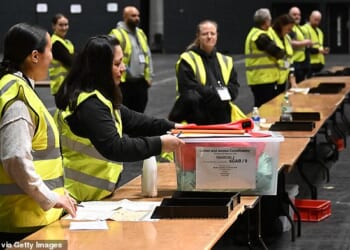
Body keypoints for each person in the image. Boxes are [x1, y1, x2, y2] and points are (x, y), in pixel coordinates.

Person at [54, 35, 184, 202]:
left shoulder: (100, 97)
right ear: (100, 68)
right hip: (78, 199)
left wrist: (174, 126)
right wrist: (161, 144)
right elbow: (115, 147)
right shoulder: (90, 105)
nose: (123, 68)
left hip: (95, 196)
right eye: (117, 64)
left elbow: (135, 121)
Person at [0, 23, 77, 247]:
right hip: (23, 223)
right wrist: (50, 198)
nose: (52, 58)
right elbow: (15, 158)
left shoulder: (17, 88)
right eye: (50, 50)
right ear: (35, 56)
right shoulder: (18, 98)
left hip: (30, 216)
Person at [168, 20, 244, 125]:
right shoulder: (187, 59)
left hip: (221, 115)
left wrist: (217, 95)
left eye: (212, 33)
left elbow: (233, 88)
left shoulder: (226, 60)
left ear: (217, 35)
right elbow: (189, 88)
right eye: (205, 34)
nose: (209, 37)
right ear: (198, 36)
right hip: (195, 114)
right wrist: (218, 95)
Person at [245, 9, 294, 107]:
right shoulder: (260, 36)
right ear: (266, 21)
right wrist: (286, 59)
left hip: (265, 79)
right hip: (262, 79)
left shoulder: (258, 33)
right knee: (264, 108)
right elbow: (278, 53)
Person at [109, 6, 153, 113]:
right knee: (124, 115)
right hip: (124, 83)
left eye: (138, 16)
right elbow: (112, 58)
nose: (137, 18)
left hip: (141, 83)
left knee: (139, 115)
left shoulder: (141, 33)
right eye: (133, 16)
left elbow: (147, 55)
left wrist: (149, 76)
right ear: (125, 17)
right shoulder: (116, 34)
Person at [49, 13, 75, 95]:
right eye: (60, 25)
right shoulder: (55, 43)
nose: (64, 28)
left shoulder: (67, 42)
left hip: (68, 85)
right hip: (61, 86)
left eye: (66, 25)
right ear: (54, 26)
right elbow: (72, 62)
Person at [269, 14, 297, 90]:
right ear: (281, 25)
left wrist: (291, 77)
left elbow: (288, 60)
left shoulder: (287, 38)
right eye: (288, 28)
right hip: (270, 79)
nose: (290, 31)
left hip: (282, 79)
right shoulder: (270, 34)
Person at [288, 6, 313, 83]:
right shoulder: (289, 28)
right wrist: (305, 42)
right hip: (294, 62)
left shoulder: (299, 28)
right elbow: (289, 43)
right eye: (294, 15)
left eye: (299, 15)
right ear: (289, 16)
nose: (297, 17)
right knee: (295, 88)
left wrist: (308, 44)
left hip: (302, 62)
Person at [302, 10, 329, 77]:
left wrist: (324, 50)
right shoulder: (304, 29)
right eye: (315, 20)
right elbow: (305, 48)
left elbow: (319, 45)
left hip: (319, 63)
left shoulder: (319, 31)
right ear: (310, 17)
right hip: (310, 63)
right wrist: (318, 50)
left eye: (319, 20)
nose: (317, 22)